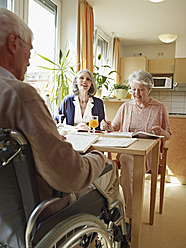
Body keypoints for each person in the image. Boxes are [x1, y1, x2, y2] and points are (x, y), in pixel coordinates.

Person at [0, 8, 119, 220]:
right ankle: (114, 224)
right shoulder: (21, 95)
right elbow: (69, 175)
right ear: (13, 43)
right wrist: (99, 159)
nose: (29, 60)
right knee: (111, 170)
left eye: (88, 79)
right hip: (38, 212)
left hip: (5, 217)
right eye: (30, 50)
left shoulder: (97, 103)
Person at [101, 69, 171, 223]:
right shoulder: (126, 106)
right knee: (126, 164)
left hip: (148, 155)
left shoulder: (159, 108)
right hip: (128, 151)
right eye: (133, 89)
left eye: (141, 89)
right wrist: (106, 125)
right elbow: (114, 126)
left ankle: (128, 210)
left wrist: (161, 131)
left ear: (149, 90)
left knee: (127, 172)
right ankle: (131, 216)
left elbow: (168, 135)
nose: (136, 93)